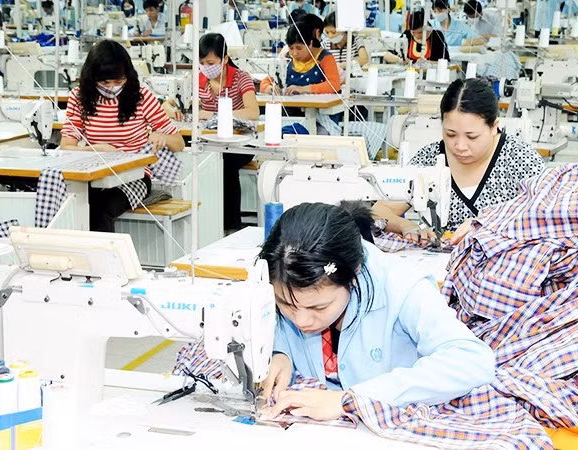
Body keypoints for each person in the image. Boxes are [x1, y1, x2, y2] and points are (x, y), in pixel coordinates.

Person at [258, 201, 495, 418]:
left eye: (319, 307)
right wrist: (281, 352)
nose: (301, 320)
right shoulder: (285, 276)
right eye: (286, 304)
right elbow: (274, 324)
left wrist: (350, 400)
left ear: (354, 275)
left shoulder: (401, 286)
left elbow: (473, 361)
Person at [373, 78, 545, 245]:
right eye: (450, 134)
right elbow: (378, 211)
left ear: (494, 126)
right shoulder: (429, 158)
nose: (460, 146)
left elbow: (550, 217)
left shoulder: (520, 159)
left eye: (472, 136)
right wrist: (406, 226)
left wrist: (488, 223)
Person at [60, 40, 185, 232]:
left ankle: (106, 261)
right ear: (91, 78)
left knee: (100, 210)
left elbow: (179, 143)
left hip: (134, 177)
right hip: (95, 176)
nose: (112, 87)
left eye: (118, 81)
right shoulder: (79, 98)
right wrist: (94, 150)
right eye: (104, 82)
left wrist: (162, 137)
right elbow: (66, 147)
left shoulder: (141, 97)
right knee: (67, 206)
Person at [165, 33, 259, 234]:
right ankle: (201, 224)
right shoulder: (197, 80)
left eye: (210, 62)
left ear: (225, 59)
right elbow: (169, 101)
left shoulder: (241, 78)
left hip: (239, 142)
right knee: (190, 161)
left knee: (223, 165)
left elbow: (253, 112)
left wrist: (213, 114)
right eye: (201, 62)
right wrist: (172, 109)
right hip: (207, 140)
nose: (206, 67)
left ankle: (230, 226)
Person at [260, 14, 341, 95]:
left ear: (310, 44)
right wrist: (270, 88)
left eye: (299, 48)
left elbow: (334, 85)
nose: (295, 53)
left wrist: (303, 89)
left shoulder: (324, 58)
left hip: (315, 106)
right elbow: (266, 82)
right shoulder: (287, 59)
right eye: (291, 48)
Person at [383, 9, 449, 63]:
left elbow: (446, 62)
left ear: (427, 28)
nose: (416, 35)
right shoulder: (407, 35)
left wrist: (427, 63)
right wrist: (399, 60)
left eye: (420, 32)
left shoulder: (437, 36)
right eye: (413, 32)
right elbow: (387, 55)